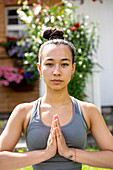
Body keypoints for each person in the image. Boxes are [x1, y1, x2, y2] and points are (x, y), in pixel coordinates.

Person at [0, 27, 113, 170]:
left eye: (64, 64)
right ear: (40, 69)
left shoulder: (88, 111)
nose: (57, 72)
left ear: (73, 69)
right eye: (49, 64)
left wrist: (70, 153)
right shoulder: (24, 112)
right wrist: (45, 154)